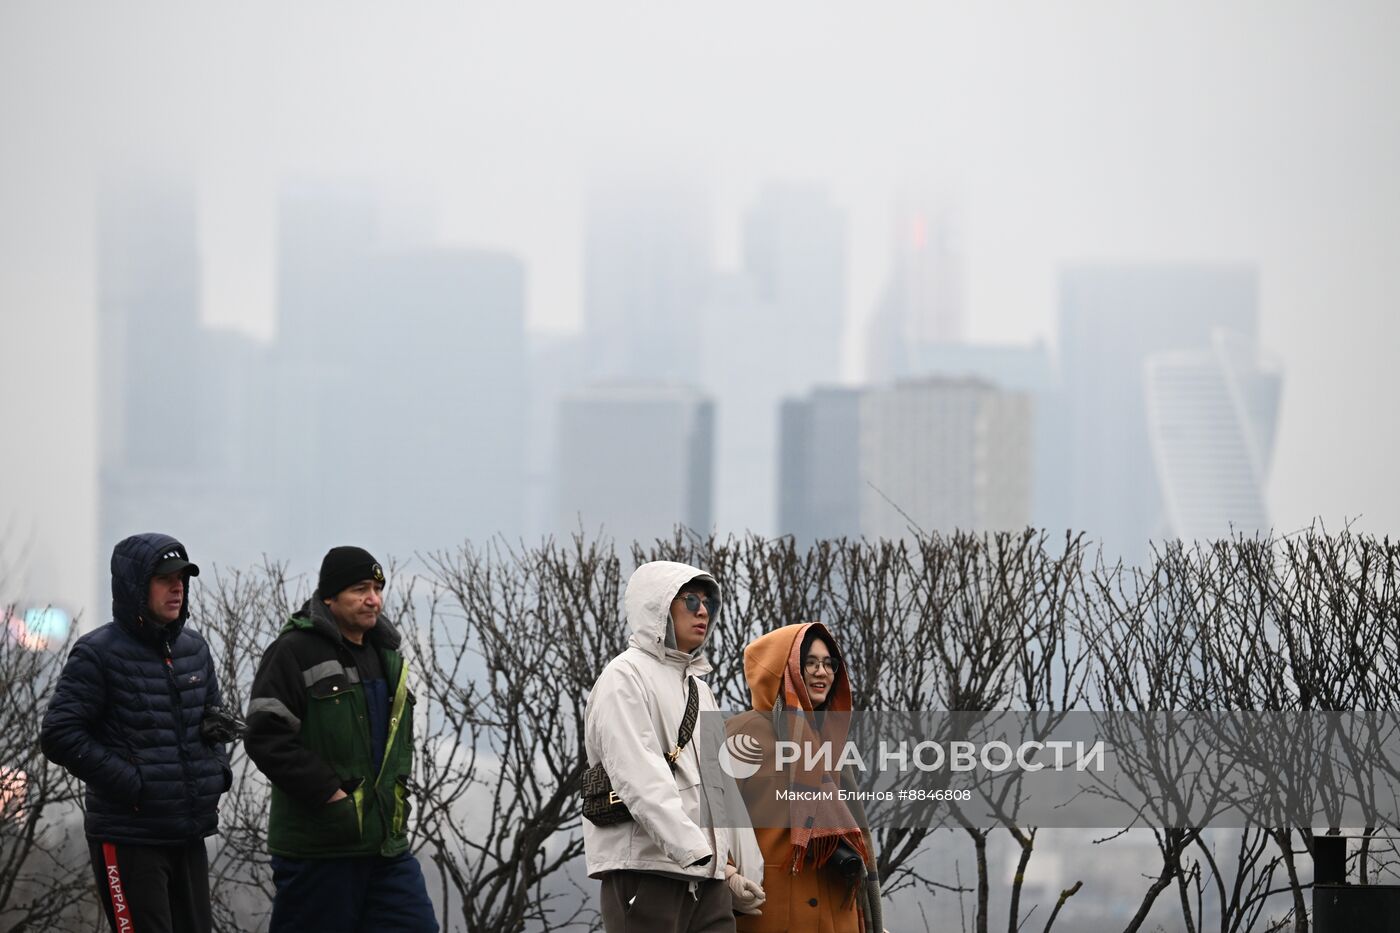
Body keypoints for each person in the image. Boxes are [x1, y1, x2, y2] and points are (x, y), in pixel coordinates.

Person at [41, 532, 231, 933]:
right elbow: (59, 733)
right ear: (135, 586)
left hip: (189, 831)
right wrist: (133, 784)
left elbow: (214, 723)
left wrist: (218, 772)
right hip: (129, 837)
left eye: (182, 578)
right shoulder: (97, 653)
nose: (177, 587)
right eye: (165, 579)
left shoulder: (194, 648)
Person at [244, 546, 437, 933]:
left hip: (384, 844)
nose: (373, 599)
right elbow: (265, 737)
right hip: (319, 848)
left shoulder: (387, 655)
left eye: (378, 589)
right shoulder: (293, 651)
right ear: (329, 596)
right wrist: (330, 794)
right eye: (360, 589)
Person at [584, 560, 767, 932]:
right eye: (689, 600)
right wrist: (694, 852)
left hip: (708, 879)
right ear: (657, 605)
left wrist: (736, 871)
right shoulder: (625, 676)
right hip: (646, 871)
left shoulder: (700, 689)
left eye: (709, 603)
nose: (703, 611)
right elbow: (638, 777)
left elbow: (722, 790)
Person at [726, 623, 884, 933]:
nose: (822, 672)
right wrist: (728, 876)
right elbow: (708, 817)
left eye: (829, 664)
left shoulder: (832, 742)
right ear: (783, 670)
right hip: (769, 914)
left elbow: (858, 839)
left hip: (840, 917)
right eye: (809, 662)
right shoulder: (743, 733)